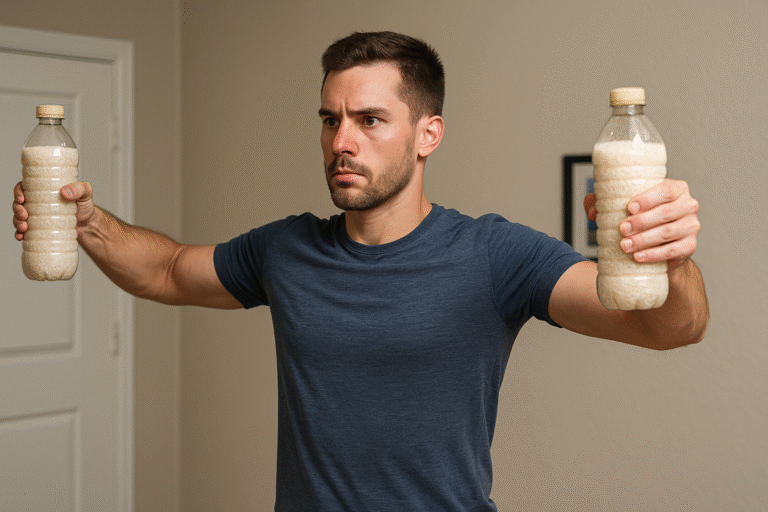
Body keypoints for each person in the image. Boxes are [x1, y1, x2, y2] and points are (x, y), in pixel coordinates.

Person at [12, 31, 708, 511]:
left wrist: (674, 261)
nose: (341, 142)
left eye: (370, 119)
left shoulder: (495, 256)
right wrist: (87, 223)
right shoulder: (284, 251)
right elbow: (165, 270)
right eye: (330, 119)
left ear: (427, 134)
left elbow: (669, 330)